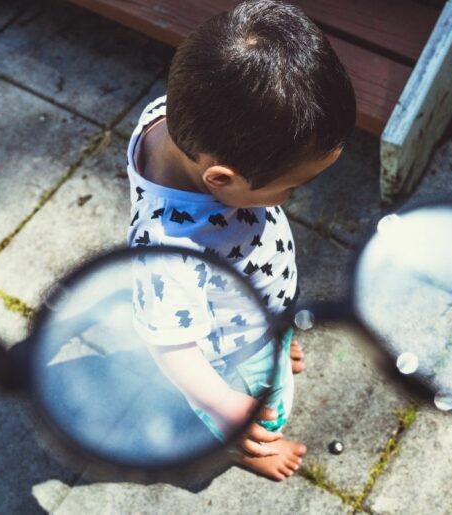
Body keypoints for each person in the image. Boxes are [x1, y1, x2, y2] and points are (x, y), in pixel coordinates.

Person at [125, 0, 356, 481]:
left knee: (280, 336)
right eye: (291, 187)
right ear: (221, 179)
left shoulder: (178, 119)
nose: (292, 197)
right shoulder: (167, 251)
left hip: (260, 306)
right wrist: (228, 406)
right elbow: (170, 347)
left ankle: (279, 340)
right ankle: (246, 448)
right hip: (232, 355)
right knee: (260, 412)